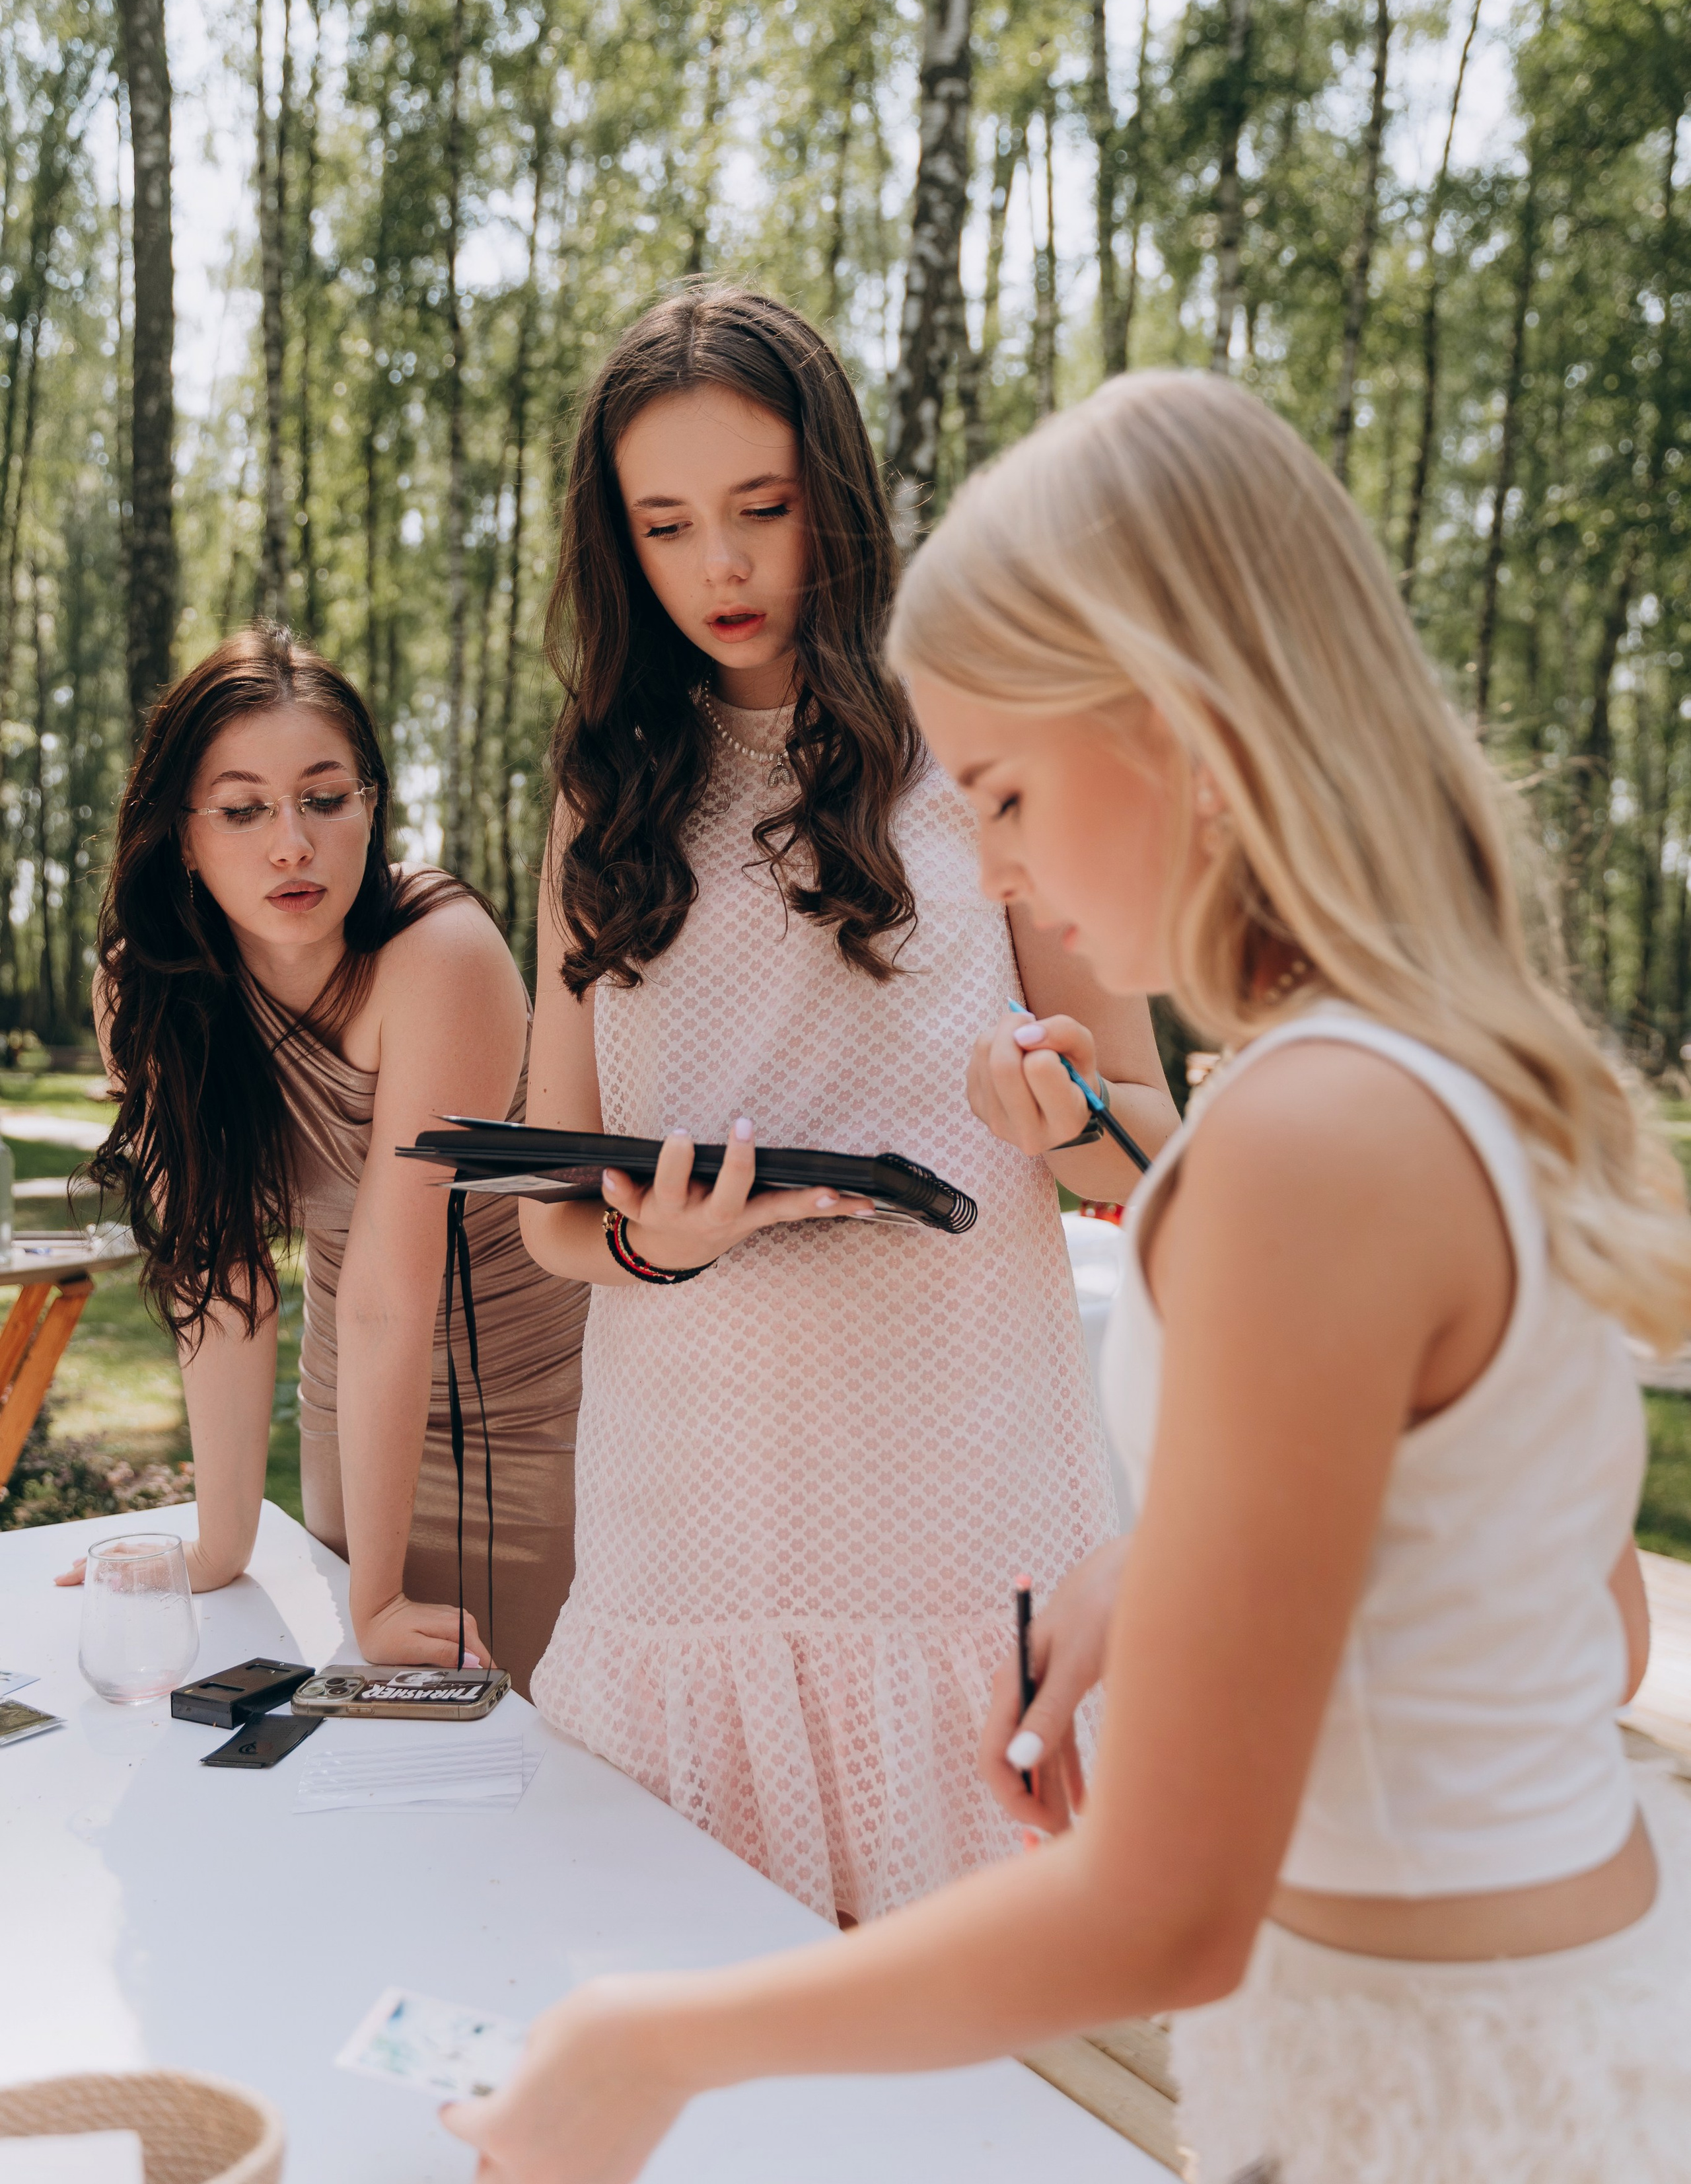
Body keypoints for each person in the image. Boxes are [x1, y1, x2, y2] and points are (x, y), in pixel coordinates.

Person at [445, 369, 1691, 2184]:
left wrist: (654, 2041)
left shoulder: (1310, 1141)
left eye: (1011, 788)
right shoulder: (1421, 1074)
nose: (993, 858)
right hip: (1506, 2054)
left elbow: (1167, 1911)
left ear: (1186, 722)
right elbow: (1577, 1607)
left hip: (1429, 2097)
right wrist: (1155, 1567)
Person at [517, 283, 1177, 1925]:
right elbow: (547, 1218)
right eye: (666, 526)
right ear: (621, 545)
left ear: (841, 495)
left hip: (960, 1501)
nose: (721, 568)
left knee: (983, 2082)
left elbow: (1163, 1148)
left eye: (762, 507)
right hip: (691, 1520)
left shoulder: (985, 733)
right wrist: (653, 1247)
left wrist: (1067, 1125)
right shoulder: (599, 796)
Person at [67, 626, 588, 1698]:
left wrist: (382, 1599)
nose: (291, 844)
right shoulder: (146, 989)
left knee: (534, 1750)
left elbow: (395, 1296)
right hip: (355, 1409)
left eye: (325, 797)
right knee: (368, 1751)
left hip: (544, 1407)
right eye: (244, 808)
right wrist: (219, 1543)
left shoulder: (437, 954)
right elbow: (223, 1275)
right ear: (182, 835)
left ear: (372, 806)